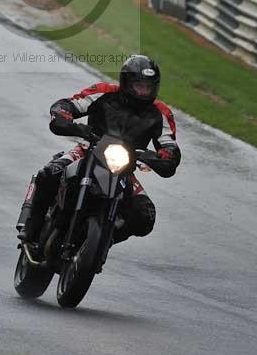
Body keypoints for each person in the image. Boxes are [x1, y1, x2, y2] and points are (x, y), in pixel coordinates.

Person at [17, 54, 181, 248]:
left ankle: (102, 241)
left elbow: (168, 143)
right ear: (126, 82)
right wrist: (64, 116)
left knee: (145, 216)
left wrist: (166, 155)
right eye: (139, 85)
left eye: (149, 87)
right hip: (88, 151)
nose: (144, 92)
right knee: (50, 173)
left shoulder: (160, 112)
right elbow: (70, 103)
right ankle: (33, 227)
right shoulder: (104, 92)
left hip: (124, 167)